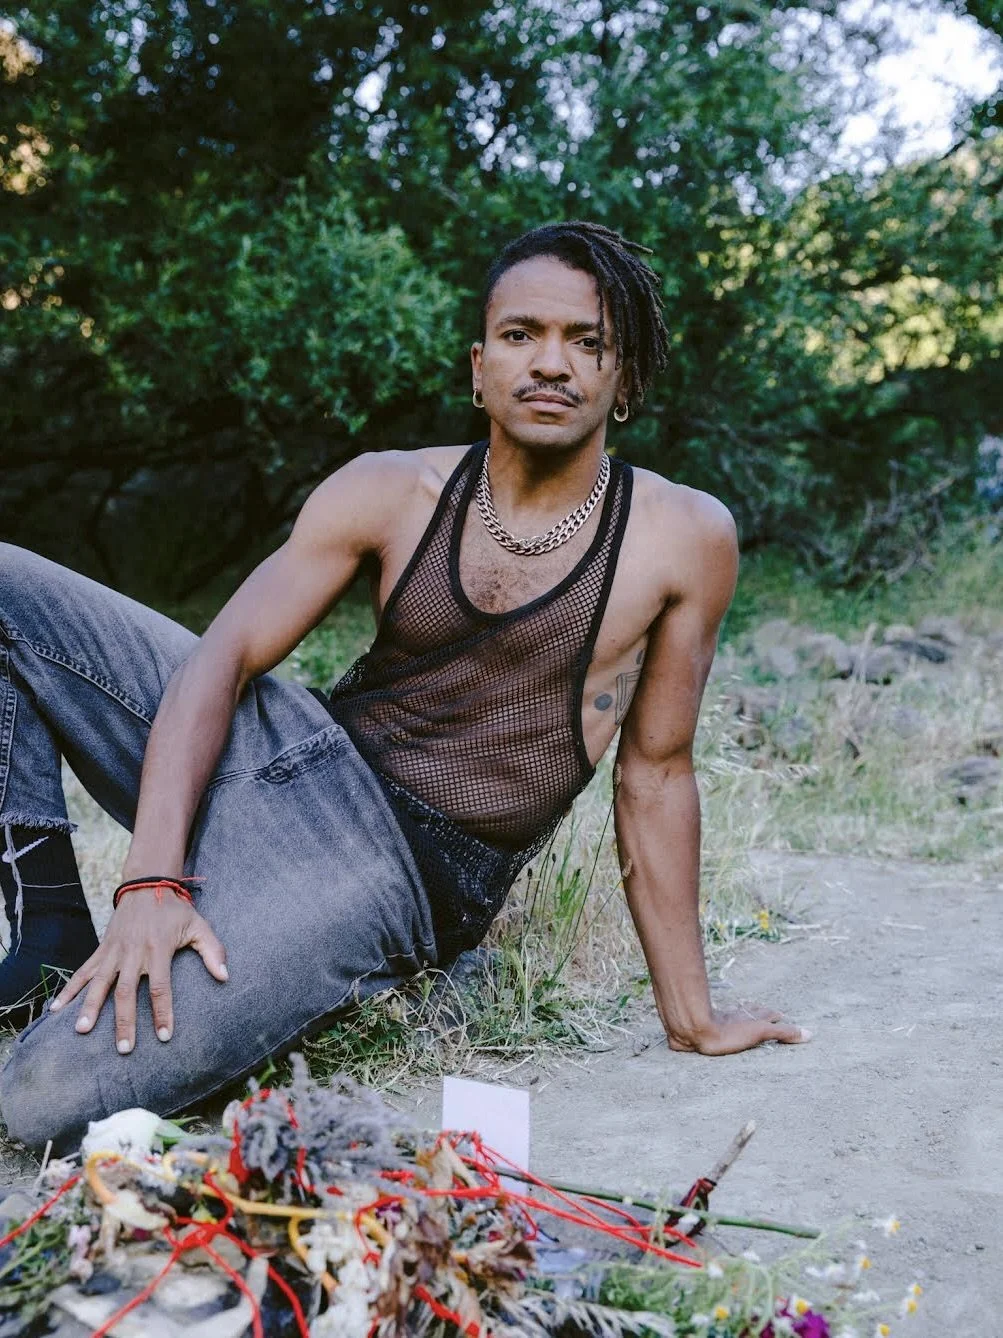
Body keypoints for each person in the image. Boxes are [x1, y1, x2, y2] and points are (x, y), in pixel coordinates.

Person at [0, 222, 808, 1149]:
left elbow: (656, 774)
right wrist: (149, 880)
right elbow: (218, 659)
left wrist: (691, 1015)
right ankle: (52, 928)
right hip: (283, 749)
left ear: (623, 381)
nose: (551, 364)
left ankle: (117, 978)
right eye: (521, 335)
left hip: (387, 875)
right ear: (477, 366)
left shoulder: (682, 536)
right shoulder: (388, 490)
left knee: (40, 1099)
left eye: (587, 342)